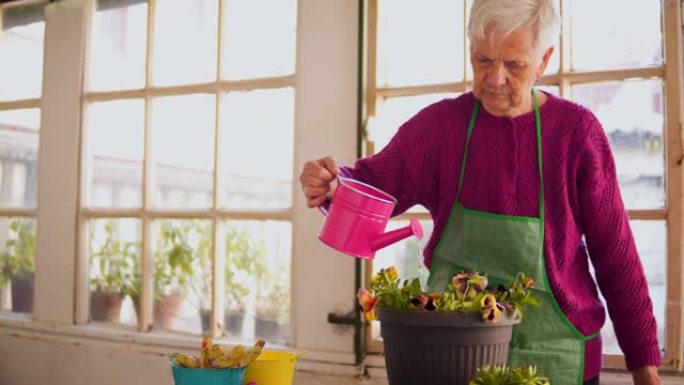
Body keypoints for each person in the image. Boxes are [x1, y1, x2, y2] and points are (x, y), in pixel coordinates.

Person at [299, 0, 662, 384]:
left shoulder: (577, 134)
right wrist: (332, 185)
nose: (495, 78)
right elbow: (370, 186)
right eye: (483, 60)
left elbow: (616, 257)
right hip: (451, 353)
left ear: (544, 60)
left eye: (515, 65)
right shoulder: (440, 128)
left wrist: (644, 369)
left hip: (556, 355)